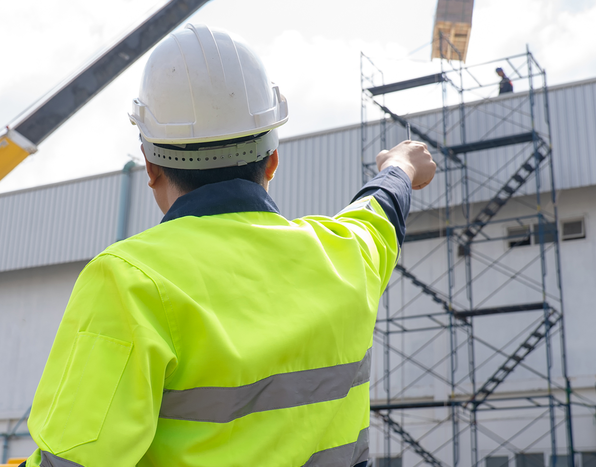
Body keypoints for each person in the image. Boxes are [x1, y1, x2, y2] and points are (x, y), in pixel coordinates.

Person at [23, 24, 436, 467]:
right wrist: (399, 166)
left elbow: (72, 460)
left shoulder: (129, 279)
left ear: (150, 166)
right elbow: (380, 211)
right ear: (272, 160)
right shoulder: (345, 255)